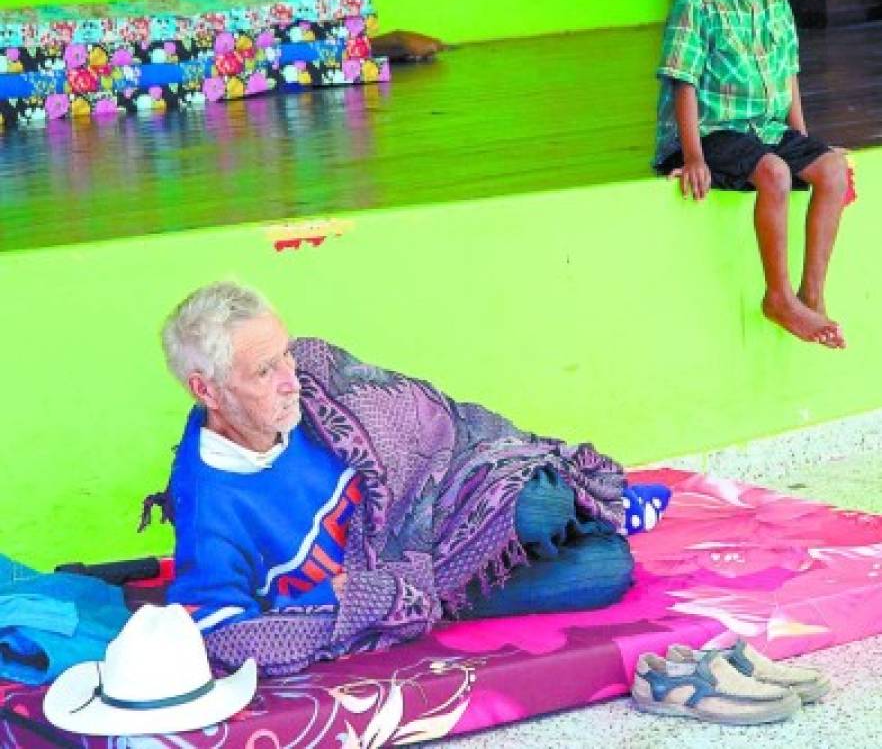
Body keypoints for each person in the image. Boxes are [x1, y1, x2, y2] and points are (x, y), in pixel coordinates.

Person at [147, 281, 634, 674]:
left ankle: (578, 511)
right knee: (607, 569)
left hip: (448, 490)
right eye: (263, 371)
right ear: (205, 390)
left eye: (285, 355)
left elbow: (421, 415)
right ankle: (595, 518)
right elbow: (221, 630)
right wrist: (362, 598)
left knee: (541, 505)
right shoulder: (208, 502)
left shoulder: (314, 372)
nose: (291, 380)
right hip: (426, 588)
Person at [653, 0, 850, 348]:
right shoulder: (697, 0)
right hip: (712, 129)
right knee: (774, 172)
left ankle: (812, 295)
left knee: (833, 170)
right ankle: (778, 296)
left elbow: (789, 74)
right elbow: (683, 81)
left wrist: (805, 142)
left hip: (766, 127)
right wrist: (694, 155)